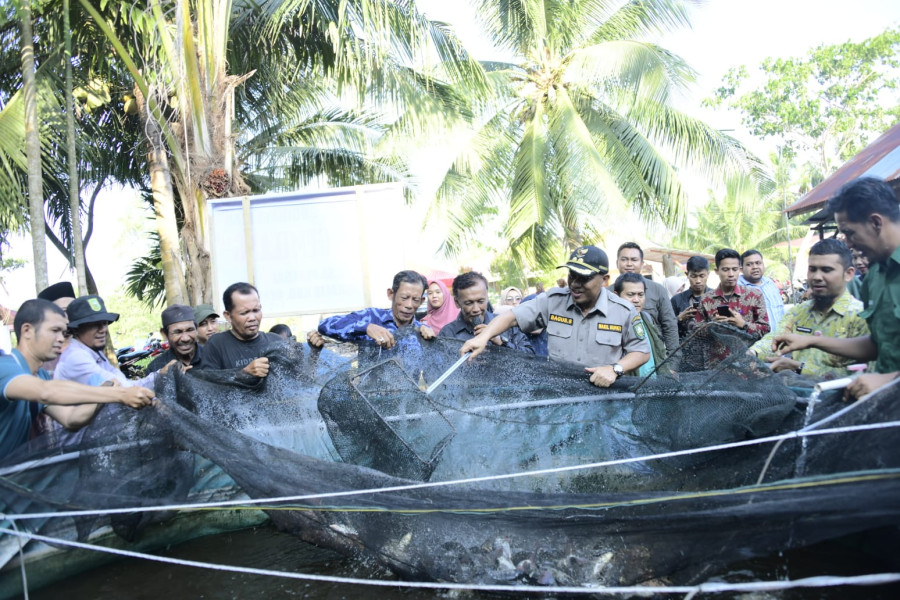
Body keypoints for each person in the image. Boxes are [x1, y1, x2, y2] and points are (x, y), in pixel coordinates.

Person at [774, 177, 900, 398]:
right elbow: (878, 345)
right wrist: (813, 341)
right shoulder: (875, 277)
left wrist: (890, 380)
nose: (848, 244)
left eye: (850, 233)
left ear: (876, 223)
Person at [460, 245, 650, 387]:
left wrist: (615, 369)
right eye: (572, 275)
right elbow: (512, 316)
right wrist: (484, 337)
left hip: (603, 398)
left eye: (584, 278)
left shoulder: (623, 310)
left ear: (605, 279)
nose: (575, 284)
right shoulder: (553, 300)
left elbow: (641, 352)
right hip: (558, 395)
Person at [0, 299, 153, 458]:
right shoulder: (5, 367)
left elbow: (70, 419)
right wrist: (121, 394)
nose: (61, 338)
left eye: (63, 332)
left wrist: (104, 392)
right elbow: (46, 391)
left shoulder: (40, 375)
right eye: (54, 330)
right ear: (27, 331)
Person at [749, 239, 868, 378]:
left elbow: (863, 374)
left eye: (826, 270)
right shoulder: (799, 312)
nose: (817, 277)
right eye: (812, 269)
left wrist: (800, 368)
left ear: (848, 274)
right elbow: (775, 340)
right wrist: (752, 354)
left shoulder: (860, 316)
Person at [54, 295, 171, 387]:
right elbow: (124, 391)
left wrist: (162, 374)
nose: (103, 330)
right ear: (76, 329)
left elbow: (126, 384)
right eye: (94, 325)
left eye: (104, 323)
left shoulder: (94, 353)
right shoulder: (76, 357)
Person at [307, 270, 436, 349]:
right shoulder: (371, 317)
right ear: (391, 294)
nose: (409, 305)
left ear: (422, 301)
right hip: (368, 394)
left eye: (415, 300)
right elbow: (325, 325)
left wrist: (432, 343)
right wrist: (366, 328)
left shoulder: (423, 332)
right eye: (404, 297)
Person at [439, 272, 534, 353]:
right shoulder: (447, 334)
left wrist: (500, 341)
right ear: (457, 302)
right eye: (469, 303)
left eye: (480, 301)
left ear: (487, 298)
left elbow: (531, 356)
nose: (476, 309)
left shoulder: (507, 325)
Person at [203, 282, 282, 376]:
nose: (252, 318)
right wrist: (243, 374)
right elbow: (208, 384)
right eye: (245, 313)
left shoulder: (276, 342)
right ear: (228, 316)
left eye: (256, 310)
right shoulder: (216, 344)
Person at [615, 242, 679, 354]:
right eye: (624, 259)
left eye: (634, 260)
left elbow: (669, 325)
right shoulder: (607, 293)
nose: (629, 264)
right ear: (617, 263)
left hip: (654, 357)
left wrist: (672, 363)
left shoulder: (657, 290)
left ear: (642, 263)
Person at [693, 248, 770, 340]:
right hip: (716, 353)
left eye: (734, 269)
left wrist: (744, 324)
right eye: (725, 270)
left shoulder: (754, 295)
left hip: (747, 353)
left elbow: (766, 329)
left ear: (740, 270)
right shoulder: (706, 299)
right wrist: (712, 325)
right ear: (717, 271)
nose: (731, 274)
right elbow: (696, 333)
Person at [613, 273, 667, 378]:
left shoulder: (647, 318)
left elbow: (659, 352)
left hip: (653, 384)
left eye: (640, 295)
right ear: (616, 296)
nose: (636, 300)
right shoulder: (611, 323)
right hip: (628, 386)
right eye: (630, 295)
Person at [145, 304, 204, 374]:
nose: (185, 338)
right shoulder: (156, 368)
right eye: (177, 332)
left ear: (196, 329)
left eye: (190, 330)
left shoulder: (213, 358)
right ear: (164, 334)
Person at [738, 249, 786, 330]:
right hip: (755, 340)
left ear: (763, 265)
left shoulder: (770, 283)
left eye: (758, 263)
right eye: (749, 264)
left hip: (780, 338)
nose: (755, 267)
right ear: (741, 269)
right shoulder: (737, 288)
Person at [36, 281, 77, 374]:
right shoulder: (38, 356)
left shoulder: (87, 348)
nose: (70, 315)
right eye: (64, 310)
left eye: (73, 309)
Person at [670, 256, 713, 340]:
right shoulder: (676, 300)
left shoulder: (716, 297)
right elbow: (666, 327)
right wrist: (679, 318)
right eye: (693, 276)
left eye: (702, 276)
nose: (698, 281)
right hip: (685, 349)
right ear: (687, 275)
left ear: (708, 274)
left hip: (712, 349)